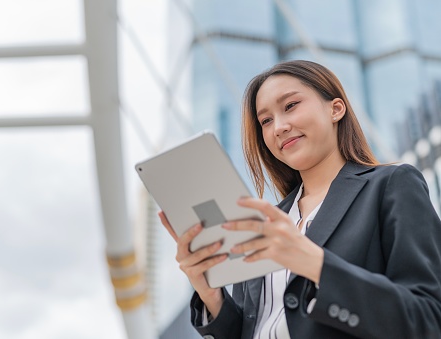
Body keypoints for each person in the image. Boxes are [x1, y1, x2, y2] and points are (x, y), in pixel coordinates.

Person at [158, 60, 441, 338]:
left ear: (336, 109)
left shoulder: (391, 185)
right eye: (266, 120)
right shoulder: (263, 224)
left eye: (290, 106)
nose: (278, 127)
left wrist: (315, 264)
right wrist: (210, 295)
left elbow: (428, 318)